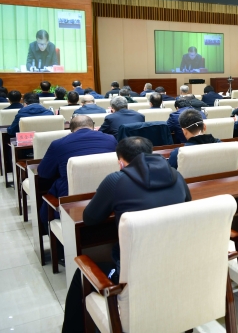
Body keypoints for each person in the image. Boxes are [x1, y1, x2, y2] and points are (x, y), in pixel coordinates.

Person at [61, 136, 191, 333]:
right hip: (175, 264)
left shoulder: (116, 180)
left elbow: (90, 218)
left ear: (121, 161)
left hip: (132, 275)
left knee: (81, 274)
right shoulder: (176, 175)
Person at [37, 115, 117, 223]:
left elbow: (43, 173)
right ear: (93, 125)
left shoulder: (58, 144)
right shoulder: (111, 139)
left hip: (71, 201)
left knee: (46, 206)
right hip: (108, 197)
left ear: (71, 128)